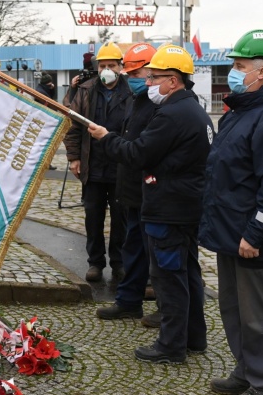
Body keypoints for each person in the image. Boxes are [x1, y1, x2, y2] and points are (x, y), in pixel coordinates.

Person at [87, 45, 213, 364]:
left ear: (173, 80)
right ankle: (194, 337)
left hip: (168, 207)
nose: (149, 82)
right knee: (187, 274)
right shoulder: (193, 108)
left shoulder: (172, 113)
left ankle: (171, 345)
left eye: (154, 77)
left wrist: (105, 137)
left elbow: (137, 154)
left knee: (168, 278)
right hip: (184, 206)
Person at [198, 29, 263, 395]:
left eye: (240, 66)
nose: (233, 72)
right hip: (230, 233)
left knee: (260, 316)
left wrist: (256, 234)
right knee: (234, 309)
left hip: (251, 238)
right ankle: (246, 370)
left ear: (262, 73)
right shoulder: (242, 113)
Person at [96, 43, 158, 322]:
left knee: (158, 255)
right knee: (133, 249)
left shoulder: (162, 106)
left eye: (138, 71)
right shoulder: (138, 100)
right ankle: (129, 301)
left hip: (155, 193)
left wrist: (107, 138)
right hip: (133, 190)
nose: (132, 77)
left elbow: (140, 150)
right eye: (129, 71)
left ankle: (168, 309)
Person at [64, 42, 130, 282]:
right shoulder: (86, 90)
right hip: (93, 164)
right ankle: (95, 262)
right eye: (102, 65)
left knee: (121, 217)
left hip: (121, 165)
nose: (106, 70)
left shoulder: (130, 90)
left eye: (111, 65)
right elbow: (72, 125)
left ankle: (119, 261)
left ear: (121, 67)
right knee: (93, 216)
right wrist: (73, 157)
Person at [35, 73, 58, 170]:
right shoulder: (41, 92)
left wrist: (52, 89)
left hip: (44, 121)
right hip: (44, 121)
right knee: (44, 144)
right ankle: (44, 163)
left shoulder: (44, 89)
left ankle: (46, 163)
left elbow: (51, 97)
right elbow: (49, 103)